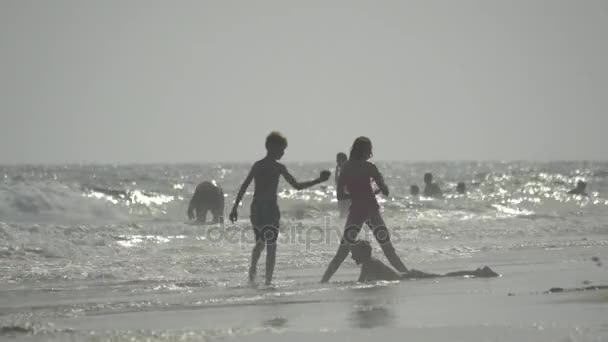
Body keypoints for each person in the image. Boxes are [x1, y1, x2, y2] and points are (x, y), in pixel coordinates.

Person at [229, 132, 331, 285]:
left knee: (261, 243)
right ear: (271, 147)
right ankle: (267, 281)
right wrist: (318, 180)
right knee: (271, 245)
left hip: (256, 208)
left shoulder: (259, 165)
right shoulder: (277, 167)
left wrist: (235, 207)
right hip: (269, 208)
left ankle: (253, 271)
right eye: (281, 149)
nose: (283, 153)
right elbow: (296, 186)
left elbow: (244, 186)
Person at [321, 137, 408, 283]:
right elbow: (385, 191)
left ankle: (324, 281)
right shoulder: (370, 167)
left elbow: (340, 195)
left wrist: (355, 193)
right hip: (371, 210)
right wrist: (376, 188)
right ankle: (408, 276)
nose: (371, 153)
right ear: (366, 151)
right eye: (369, 150)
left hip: (356, 211)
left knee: (342, 251)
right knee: (389, 250)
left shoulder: (346, 167)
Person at [351, 240, 499, 282]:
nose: (352, 257)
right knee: (445, 276)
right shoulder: (370, 263)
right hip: (409, 276)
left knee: (445, 277)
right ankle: (477, 272)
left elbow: (360, 284)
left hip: (410, 277)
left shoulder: (370, 264)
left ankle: (478, 272)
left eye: (354, 254)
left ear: (362, 254)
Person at [335, 152, 350, 218]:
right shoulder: (340, 168)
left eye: (338, 160)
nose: (337, 161)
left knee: (345, 213)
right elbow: (337, 181)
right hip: (341, 195)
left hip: (347, 196)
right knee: (342, 213)